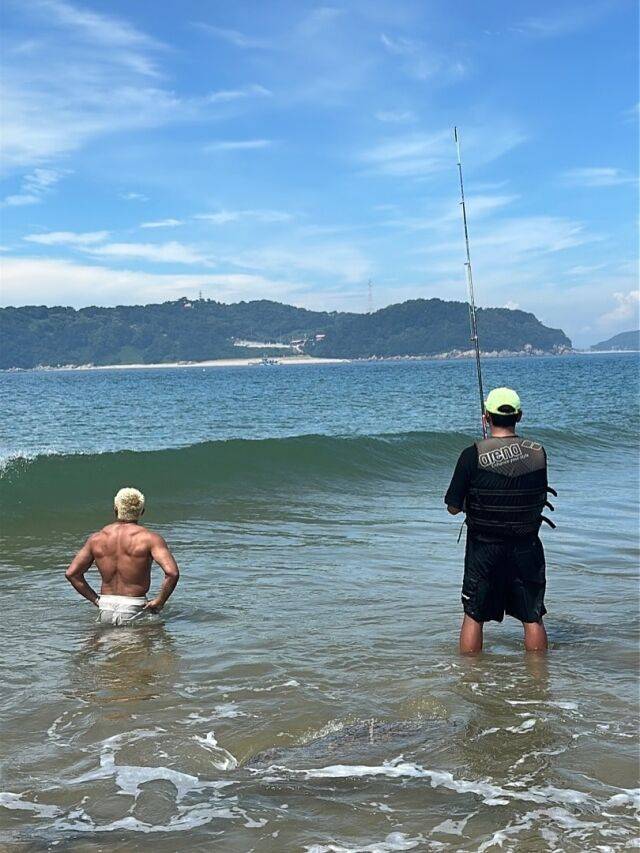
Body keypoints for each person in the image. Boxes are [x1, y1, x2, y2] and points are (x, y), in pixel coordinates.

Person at [445, 388, 556, 653]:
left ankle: (470, 680)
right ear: (519, 416)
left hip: (484, 549)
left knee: (474, 614)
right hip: (527, 546)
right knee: (532, 616)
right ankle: (538, 679)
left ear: (486, 417)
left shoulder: (471, 455)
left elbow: (452, 507)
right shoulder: (538, 453)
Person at [65, 487, 180, 626]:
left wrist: (96, 600)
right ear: (142, 512)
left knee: (110, 646)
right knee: (139, 647)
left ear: (115, 509)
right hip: (134, 606)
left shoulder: (97, 538)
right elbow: (172, 573)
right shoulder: (150, 539)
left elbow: (72, 574)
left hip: (105, 606)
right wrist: (159, 601)